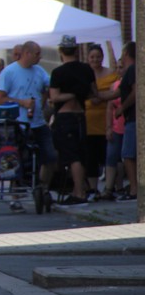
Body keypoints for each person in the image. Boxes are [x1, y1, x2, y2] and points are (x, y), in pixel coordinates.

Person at [0, 41, 56, 191]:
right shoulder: (9, 72)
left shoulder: (39, 71)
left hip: (38, 122)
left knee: (51, 156)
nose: (40, 57)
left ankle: (42, 188)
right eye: (37, 54)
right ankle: (16, 192)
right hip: (18, 124)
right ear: (27, 53)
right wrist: (21, 102)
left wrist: (44, 101)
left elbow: (49, 86)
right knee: (18, 159)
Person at [48, 36, 98, 206]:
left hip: (65, 116)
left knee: (72, 155)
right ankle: (82, 189)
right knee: (81, 153)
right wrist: (78, 93)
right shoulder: (86, 69)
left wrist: (70, 94)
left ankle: (78, 192)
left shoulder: (58, 72)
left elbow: (54, 97)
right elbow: (93, 93)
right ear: (76, 50)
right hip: (81, 115)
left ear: (61, 51)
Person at [85, 44, 118, 196]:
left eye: (98, 56)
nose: (95, 59)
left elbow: (116, 92)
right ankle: (93, 189)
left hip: (107, 119)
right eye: (92, 57)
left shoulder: (111, 74)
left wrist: (99, 96)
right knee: (91, 156)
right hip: (89, 121)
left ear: (102, 57)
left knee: (108, 155)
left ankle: (112, 187)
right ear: (88, 58)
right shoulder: (84, 74)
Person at [117, 42, 137, 202]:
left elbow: (136, 92)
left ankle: (134, 190)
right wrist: (98, 95)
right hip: (134, 118)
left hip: (133, 118)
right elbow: (118, 92)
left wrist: (121, 108)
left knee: (128, 154)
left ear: (126, 54)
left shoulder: (132, 69)